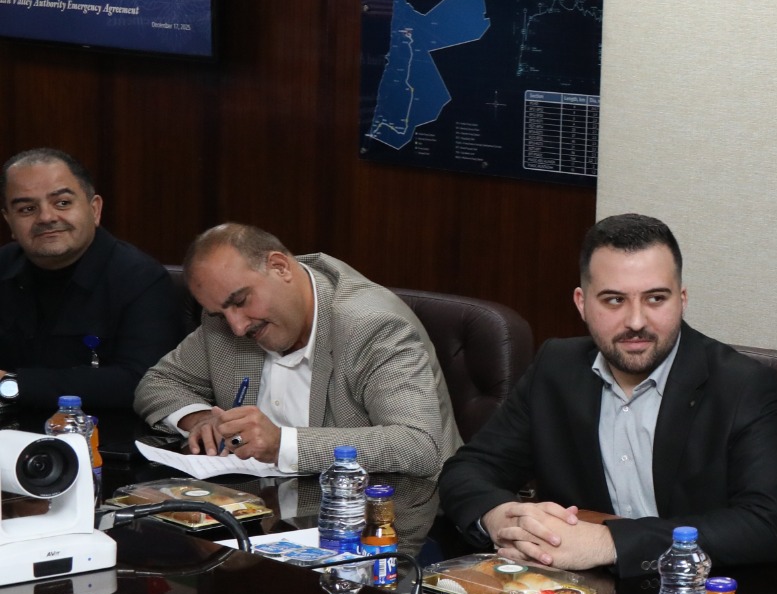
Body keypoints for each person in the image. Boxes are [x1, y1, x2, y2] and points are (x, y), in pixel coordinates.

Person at [437, 213, 777, 576]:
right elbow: (467, 471)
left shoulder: (742, 385)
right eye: (614, 300)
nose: (636, 321)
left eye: (656, 298)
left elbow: (764, 525)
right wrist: (503, 518)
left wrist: (610, 543)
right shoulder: (556, 368)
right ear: (581, 303)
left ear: (682, 299)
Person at [134, 223, 459, 477]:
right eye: (221, 314)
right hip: (268, 510)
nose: (237, 327)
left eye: (241, 301)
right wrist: (202, 419)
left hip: (385, 515)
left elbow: (418, 444)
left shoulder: (371, 325)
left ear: (280, 267)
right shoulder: (224, 322)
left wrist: (283, 444)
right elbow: (159, 382)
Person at [0, 148, 185, 411]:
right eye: (27, 209)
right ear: (9, 220)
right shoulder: (3, 266)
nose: (46, 217)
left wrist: (12, 385)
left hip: (102, 431)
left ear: (94, 209)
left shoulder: (141, 278)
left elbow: (144, 382)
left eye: (62, 203)